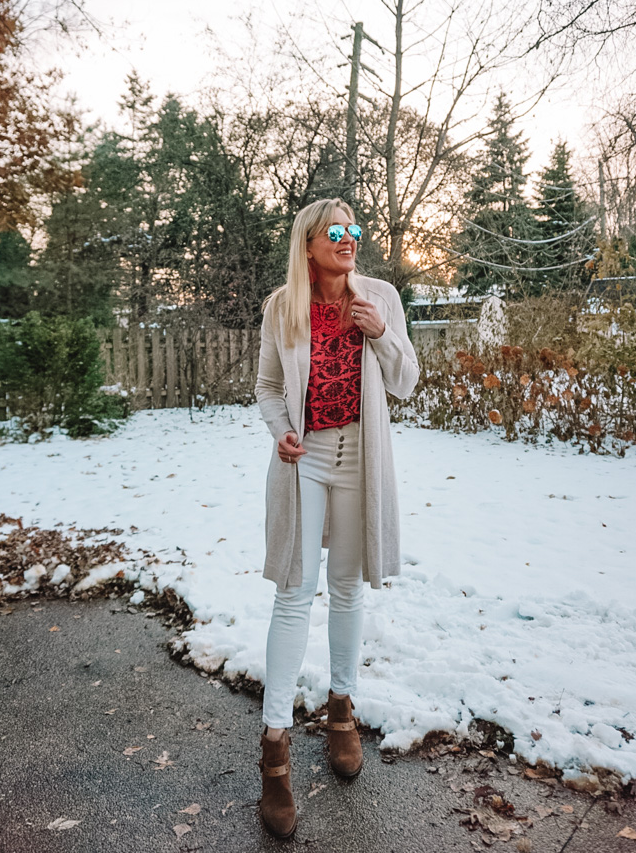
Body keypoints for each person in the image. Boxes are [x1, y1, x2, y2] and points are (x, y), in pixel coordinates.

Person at [254, 197, 419, 838]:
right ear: (309, 245)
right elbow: (269, 387)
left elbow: (406, 379)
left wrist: (379, 332)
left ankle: (342, 710)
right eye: (335, 232)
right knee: (294, 594)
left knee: (347, 588)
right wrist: (280, 431)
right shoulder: (282, 306)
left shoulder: (380, 295)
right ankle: (274, 748)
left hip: (361, 459)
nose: (349, 239)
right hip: (305, 461)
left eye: (354, 230)